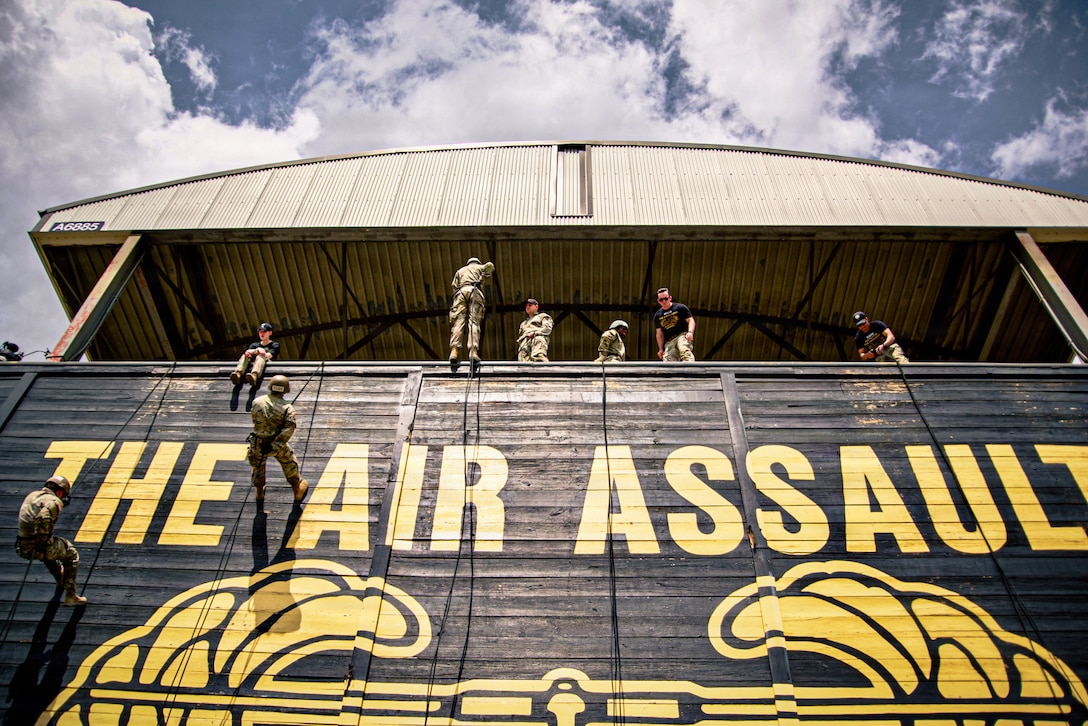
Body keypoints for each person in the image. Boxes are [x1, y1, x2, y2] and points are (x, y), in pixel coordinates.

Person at [16, 475, 87, 605]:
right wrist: (43, 541)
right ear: (60, 491)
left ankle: (60, 579)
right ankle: (70, 596)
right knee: (70, 553)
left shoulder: (33, 496)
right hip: (38, 545)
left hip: (23, 546)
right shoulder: (54, 502)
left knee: (50, 552)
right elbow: (44, 517)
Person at [248, 374, 309, 504]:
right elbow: (289, 429)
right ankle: (297, 490)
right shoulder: (287, 408)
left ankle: (259, 492)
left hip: (258, 443)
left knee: (257, 467)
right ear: (286, 390)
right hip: (275, 445)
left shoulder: (257, 402)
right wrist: (275, 445)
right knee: (290, 463)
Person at [449, 257, 494, 366]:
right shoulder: (479, 267)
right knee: (473, 322)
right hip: (475, 292)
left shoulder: (460, 271)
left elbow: (454, 286)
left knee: (458, 322)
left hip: (461, 294)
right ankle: (473, 352)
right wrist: (481, 278)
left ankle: (454, 351)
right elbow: (490, 266)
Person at [654, 288, 696, 361]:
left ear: (670, 298)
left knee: (684, 349)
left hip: (682, 336)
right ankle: (669, 372)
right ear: (658, 301)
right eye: (661, 300)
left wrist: (690, 332)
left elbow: (691, 320)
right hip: (669, 341)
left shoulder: (680, 308)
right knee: (667, 358)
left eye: (665, 298)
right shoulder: (658, 315)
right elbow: (659, 333)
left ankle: (690, 368)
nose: (664, 301)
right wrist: (660, 349)